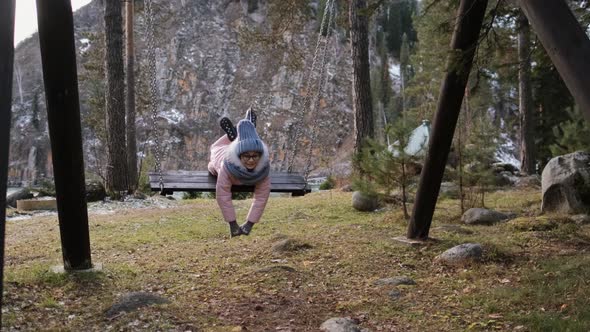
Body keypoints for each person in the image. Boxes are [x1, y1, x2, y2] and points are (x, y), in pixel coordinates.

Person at [207, 109, 271, 237]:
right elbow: (223, 195)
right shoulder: (226, 166)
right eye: (247, 157)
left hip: (242, 147)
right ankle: (238, 133)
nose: (251, 160)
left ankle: (243, 131)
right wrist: (232, 223)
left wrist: (249, 223)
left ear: (261, 155)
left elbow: (262, 197)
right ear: (240, 156)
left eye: (255, 156)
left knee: (249, 142)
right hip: (221, 154)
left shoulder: (263, 167)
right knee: (212, 167)